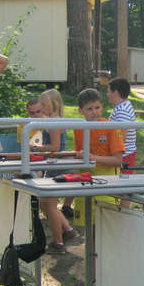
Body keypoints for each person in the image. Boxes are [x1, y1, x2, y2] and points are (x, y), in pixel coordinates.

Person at [32, 89, 81, 255]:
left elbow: (55, 146)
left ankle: (58, 243)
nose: (42, 108)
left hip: (57, 165)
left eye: (44, 105)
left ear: (54, 104)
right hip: (55, 164)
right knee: (45, 204)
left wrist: (37, 148)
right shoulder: (55, 119)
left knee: (50, 206)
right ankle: (67, 229)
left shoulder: (53, 122)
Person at [72, 88, 125, 228]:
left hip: (107, 185)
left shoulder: (111, 127)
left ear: (102, 106)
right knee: (88, 229)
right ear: (80, 111)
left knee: (105, 230)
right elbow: (78, 156)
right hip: (84, 183)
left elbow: (118, 160)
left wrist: (93, 157)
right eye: (89, 109)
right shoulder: (79, 128)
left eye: (97, 107)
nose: (94, 112)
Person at [107, 77, 137, 208]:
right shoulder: (122, 107)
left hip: (124, 155)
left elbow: (122, 135)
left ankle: (124, 212)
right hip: (124, 153)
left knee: (124, 187)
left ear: (116, 92)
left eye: (109, 91)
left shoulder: (122, 110)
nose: (107, 94)